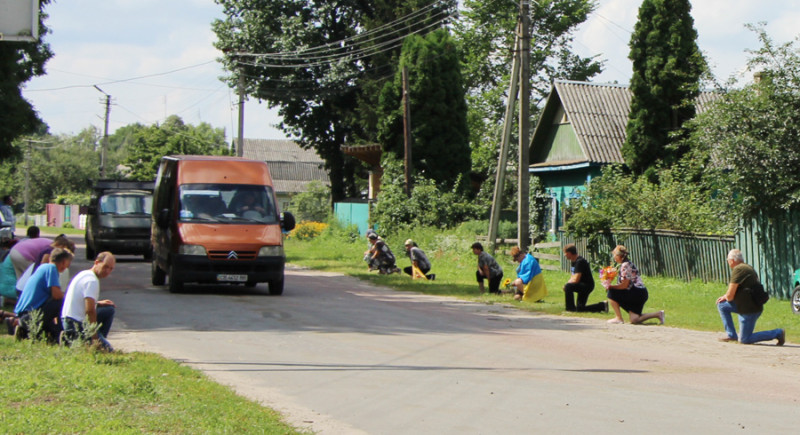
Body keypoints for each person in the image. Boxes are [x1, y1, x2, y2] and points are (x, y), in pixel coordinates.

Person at [716, 249, 785, 345]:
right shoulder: (747, 267)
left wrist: (726, 296)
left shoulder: (738, 270)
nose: (728, 262)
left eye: (727, 260)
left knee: (745, 339)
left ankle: (778, 333)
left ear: (732, 260)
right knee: (722, 305)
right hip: (749, 305)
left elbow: (730, 296)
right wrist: (725, 297)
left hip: (749, 309)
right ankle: (731, 335)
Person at [13, 247, 74, 341]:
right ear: (63, 262)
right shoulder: (52, 268)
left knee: (49, 332)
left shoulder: (42, 267)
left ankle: (24, 331)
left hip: (24, 315)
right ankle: (62, 333)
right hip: (31, 315)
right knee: (61, 301)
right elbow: (57, 295)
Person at [61, 252, 117, 350]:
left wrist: (98, 303)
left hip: (67, 319)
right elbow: (90, 311)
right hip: (75, 324)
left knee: (109, 309)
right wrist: (94, 338)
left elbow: (82, 300)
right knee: (108, 351)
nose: (107, 271)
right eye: (105, 267)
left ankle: (100, 338)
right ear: (96, 262)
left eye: (111, 269)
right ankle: (81, 341)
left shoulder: (84, 274)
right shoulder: (92, 281)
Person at [603, 245, 664, 325]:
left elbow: (624, 285)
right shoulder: (627, 263)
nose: (614, 257)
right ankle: (658, 314)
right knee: (634, 320)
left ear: (619, 256)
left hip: (636, 293)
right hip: (640, 293)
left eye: (614, 255)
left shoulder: (625, 265)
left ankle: (618, 318)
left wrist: (610, 286)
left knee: (611, 292)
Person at [563, 244, 607, 313]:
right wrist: (567, 283)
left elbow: (576, 279)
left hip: (586, 285)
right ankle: (602, 306)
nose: (565, 255)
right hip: (581, 285)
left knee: (568, 286)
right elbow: (573, 276)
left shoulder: (580, 262)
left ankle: (570, 308)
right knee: (580, 309)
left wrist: (567, 285)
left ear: (569, 253)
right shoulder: (573, 262)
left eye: (565, 253)